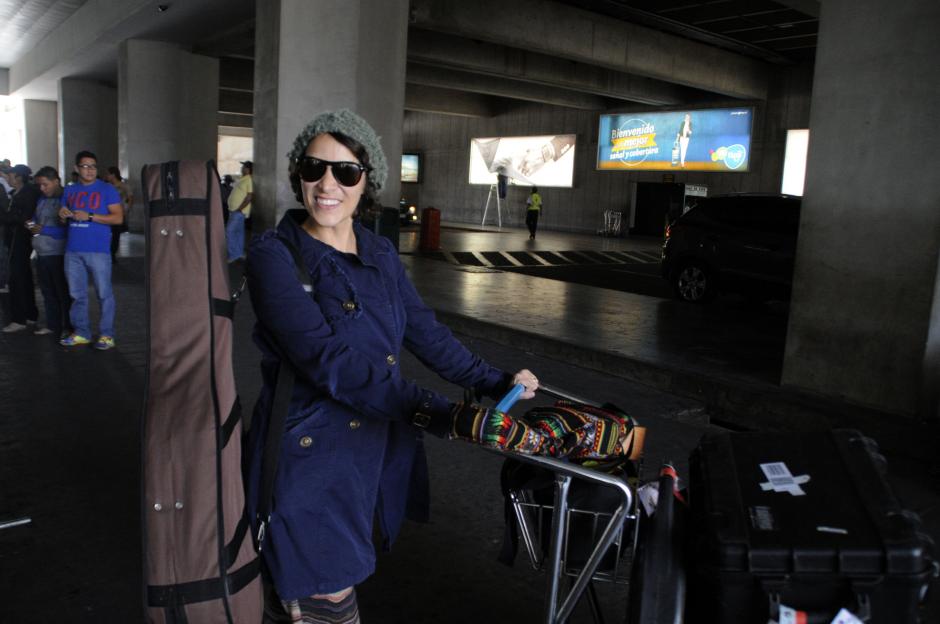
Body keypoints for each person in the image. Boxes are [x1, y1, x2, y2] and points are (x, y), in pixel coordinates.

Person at [245, 109, 539, 622]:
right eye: (313, 169)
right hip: (310, 458)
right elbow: (328, 362)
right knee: (326, 598)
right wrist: (435, 410)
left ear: (367, 182)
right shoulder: (274, 256)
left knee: (303, 596)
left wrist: (495, 382)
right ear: (298, 176)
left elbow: (424, 332)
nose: (327, 184)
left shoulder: (379, 252)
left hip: (371, 451)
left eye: (346, 172)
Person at [58, 150, 123, 350]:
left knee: (104, 294)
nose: (89, 170)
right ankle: (82, 333)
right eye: (85, 166)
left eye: (93, 166)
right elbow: (62, 219)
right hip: (73, 250)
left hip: (98, 250)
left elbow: (118, 218)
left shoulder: (107, 189)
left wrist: (91, 216)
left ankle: (106, 335)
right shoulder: (69, 191)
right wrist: (62, 214)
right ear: (77, 169)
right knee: (77, 294)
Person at [29, 167, 71, 338]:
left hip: (58, 253)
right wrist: (32, 224)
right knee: (47, 292)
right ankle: (53, 324)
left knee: (63, 292)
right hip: (41, 253)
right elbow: (36, 218)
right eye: (40, 185)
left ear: (56, 181)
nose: (42, 189)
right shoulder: (41, 200)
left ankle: (68, 326)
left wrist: (44, 230)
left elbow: (69, 229)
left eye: (45, 185)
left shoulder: (66, 199)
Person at [1, 165, 40, 332]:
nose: (7, 179)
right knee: (23, 277)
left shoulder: (27, 194)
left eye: (10, 176)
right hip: (16, 238)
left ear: (17, 178)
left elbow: (24, 218)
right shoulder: (18, 193)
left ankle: (20, 318)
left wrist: (4, 216)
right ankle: (30, 314)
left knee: (17, 278)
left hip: (20, 239)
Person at [104, 166, 133, 263]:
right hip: (107, 213)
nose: (106, 176)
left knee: (116, 234)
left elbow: (130, 198)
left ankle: (112, 253)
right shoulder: (107, 187)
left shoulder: (123, 186)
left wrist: (127, 209)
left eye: (108, 174)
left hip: (118, 213)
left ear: (113, 175)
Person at [226, 160, 253, 262]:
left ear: (248, 169)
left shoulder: (249, 180)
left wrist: (239, 209)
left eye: (244, 167)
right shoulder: (243, 179)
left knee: (229, 231)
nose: (242, 168)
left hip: (238, 212)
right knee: (238, 233)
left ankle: (233, 255)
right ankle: (238, 253)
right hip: (234, 211)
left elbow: (249, 197)